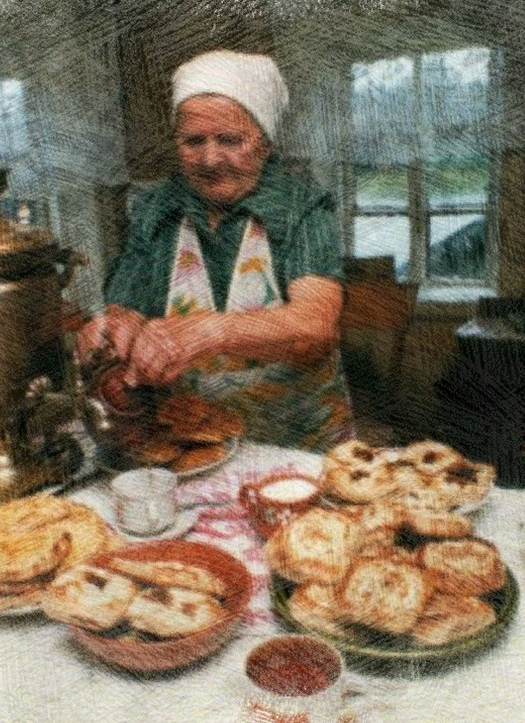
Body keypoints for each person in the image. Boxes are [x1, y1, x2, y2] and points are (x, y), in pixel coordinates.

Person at [76, 50, 353, 452]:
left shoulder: (302, 208)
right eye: (193, 141)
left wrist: (210, 331)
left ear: (264, 142)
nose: (210, 159)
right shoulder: (156, 209)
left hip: (296, 442)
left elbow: (315, 327)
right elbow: (128, 308)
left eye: (229, 140)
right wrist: (114, 330)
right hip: (191, 438)